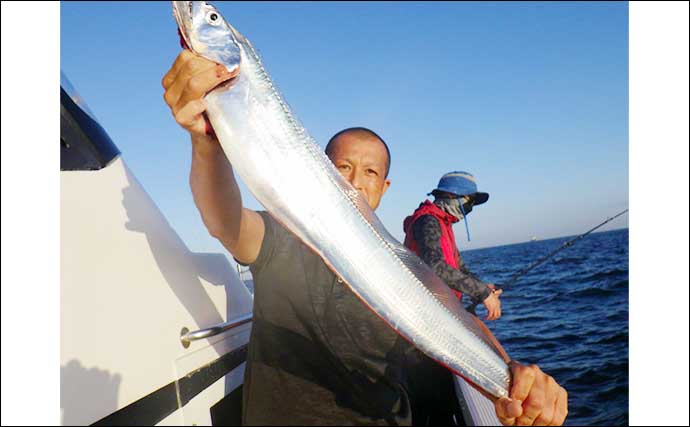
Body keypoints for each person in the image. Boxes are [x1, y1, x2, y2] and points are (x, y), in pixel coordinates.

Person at [161, 49, 568, 426]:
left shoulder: (400, 264)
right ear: (321, 170)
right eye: (342, 167)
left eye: (370, 173)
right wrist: (206, 141)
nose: (355, 182)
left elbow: (452, 320)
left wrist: (515, 380)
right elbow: (222, 220)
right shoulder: (280, 238)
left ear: (385, 187)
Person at [402, 172, 502, 425]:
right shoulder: (428, 222)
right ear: (450, 196)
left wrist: (484, 288)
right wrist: (481, 294)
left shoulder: (443, 223)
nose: (469, 210)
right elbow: (434, 266)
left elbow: (458, 266)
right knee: (435, 406)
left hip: (441, 321)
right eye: (468, 203)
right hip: (426, 326)